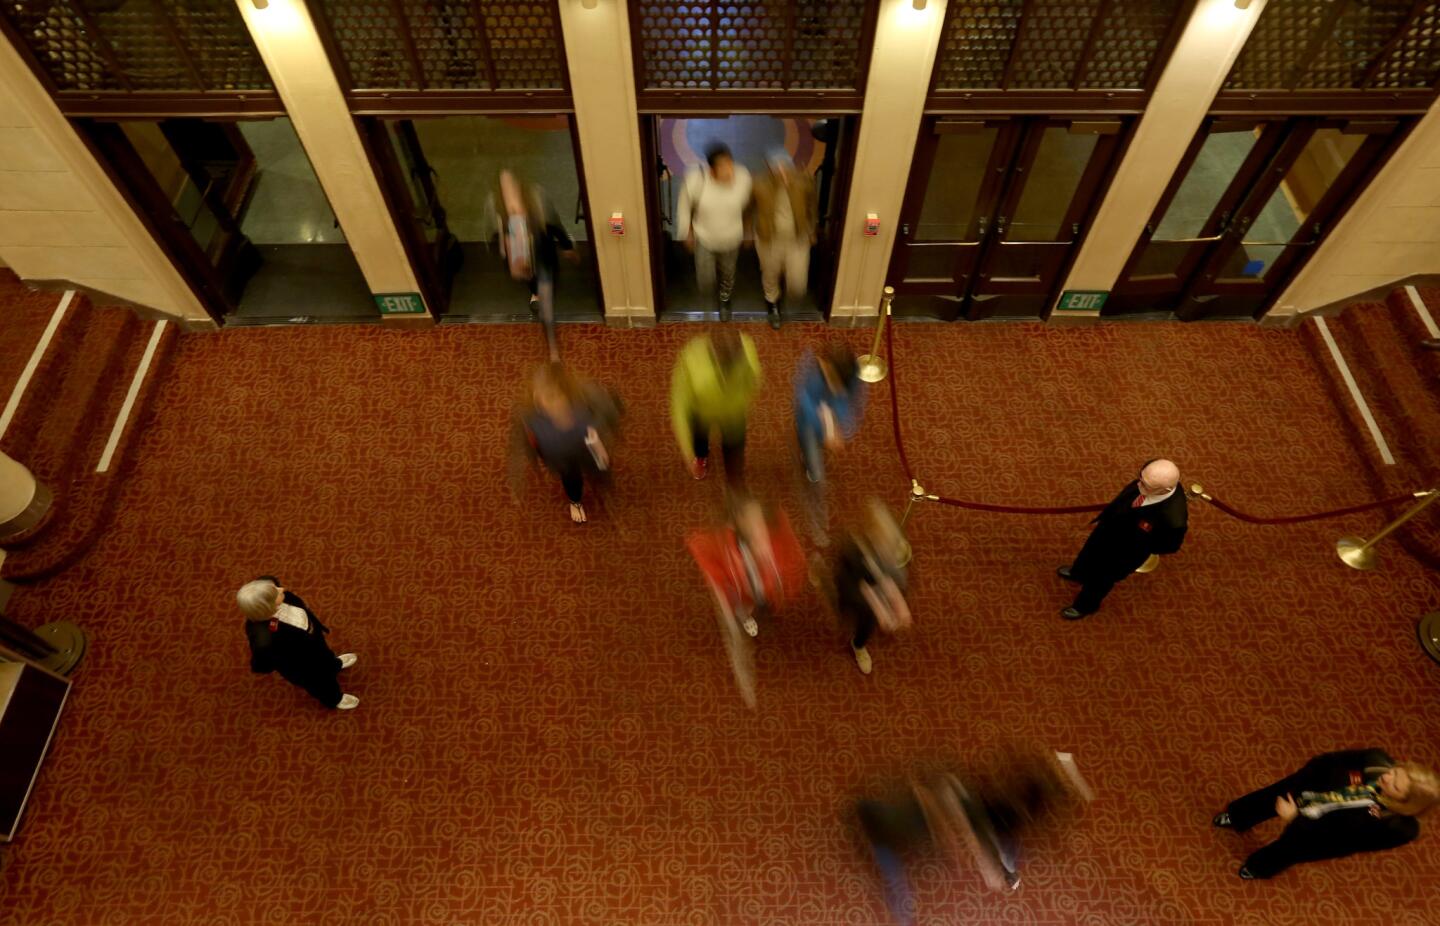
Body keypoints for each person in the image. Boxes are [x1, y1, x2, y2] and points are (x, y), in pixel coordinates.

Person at [856, 751, 1093, 922]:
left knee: (999, 837)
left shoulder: (893, 831)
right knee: (999, 841)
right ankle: (1052, 781)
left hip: (980, 813)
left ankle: (1052, 781)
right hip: (980, 815)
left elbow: (956, 814)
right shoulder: (892, 834)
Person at [1213, 749, 1439, 879]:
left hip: (1325, 832)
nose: (1387, 778)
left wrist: (1294, 819)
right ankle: (1238, 816)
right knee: (1270, 797)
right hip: (1311, 790)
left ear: (1404, 803)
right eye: (1396, 772)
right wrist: (1306, 778)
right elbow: (1331, 761)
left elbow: (1333, 835)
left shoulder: (1392, 826)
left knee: (1289, 849)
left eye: (1396, 787)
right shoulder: (1376, 761)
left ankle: (1257, 868)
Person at [1056, 458, 1187, 620]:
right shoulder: (1148, 481)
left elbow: (1169, 546)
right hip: (1106, 530)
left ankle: (1084, 606)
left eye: (1146, 485)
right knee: (1088, 553)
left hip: (1122, 555)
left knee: (1100, 581)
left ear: (1165, 489)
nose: (1139, 485)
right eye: (1141, 478)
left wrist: (1139, 545)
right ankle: (1078, 573)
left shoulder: (1173, 519)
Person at [513, 363, 620, 524]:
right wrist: (520, 474)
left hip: (584, 448)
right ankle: (575, 502)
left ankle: (602, 483)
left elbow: (591, 432)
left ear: (566, 395)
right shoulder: (531, 417)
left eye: (554, 396)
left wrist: (600, 452)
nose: (548, 403)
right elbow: (523, 442)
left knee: (600, 468)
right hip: (561, 457)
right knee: (571, 479)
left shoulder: (581, 410)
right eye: (541, 397)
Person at [816, 499, 910, 675]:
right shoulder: (852, 550)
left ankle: (858, 645)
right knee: (845, 611)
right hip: (854, 589)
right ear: (872, 534)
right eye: (884, 538)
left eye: (892, 539)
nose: (890, 545)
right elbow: (854, 586)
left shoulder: (898, 551)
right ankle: (822, 580)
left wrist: (898, 603)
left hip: (877, 588)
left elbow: (898, 578)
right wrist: (879, 609)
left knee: (867, 626)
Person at [492, 169, 577, 360]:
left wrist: (566, 247)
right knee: (537, 289)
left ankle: (552, 347)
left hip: (544, 262)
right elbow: (500, 244)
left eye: (511, 189)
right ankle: (536, 294)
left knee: (546, 305)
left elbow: (554, 225)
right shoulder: (503, 218)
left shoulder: (537, 205)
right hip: (525, 268)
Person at [239, 576, 358, 710]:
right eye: (276, 592)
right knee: (320, 683)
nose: (282, 589)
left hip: (314, 640)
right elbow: (263, 659)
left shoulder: (284, 596)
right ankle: (333, 698)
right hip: (303, 664)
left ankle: (333, 665)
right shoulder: (262, 637)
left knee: (325, 655)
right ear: (267, 606)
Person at [671, 329, 761, 485]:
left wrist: (743, 403)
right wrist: (688, 452)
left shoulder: (746, 350)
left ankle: (734, 480)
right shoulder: (691, 359)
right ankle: (700, 456)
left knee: (734, 451)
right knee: (699, 440)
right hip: (701, 415)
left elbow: (754, 379)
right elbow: (679, 407)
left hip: (734, 417)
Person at [676, 143, 752, 321]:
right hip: (704, 237)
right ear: (711, 170)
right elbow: (684, 206)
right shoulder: (696, 179)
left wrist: (749, 231)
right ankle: (707, 300)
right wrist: (686, 232)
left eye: (730, 164)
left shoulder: (743, 176)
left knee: (728, 273)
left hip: (731, 237)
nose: (729, 170)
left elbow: (748, 207)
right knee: (705, 276)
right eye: (723, 166)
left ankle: (725, 299)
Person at [752, 149, 817, 329]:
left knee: (797, 282)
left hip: (797, 239)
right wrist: (749, 232)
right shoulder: (759, 184)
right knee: (770, 274)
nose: (781, 171)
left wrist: (811, 231)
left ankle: (788, 298)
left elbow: (812, 208)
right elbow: (749, 209)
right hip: (769, 239)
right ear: (769, 168)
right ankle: (773, 305)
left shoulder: (804, 182)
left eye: (785, 166)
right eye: (776, 167)